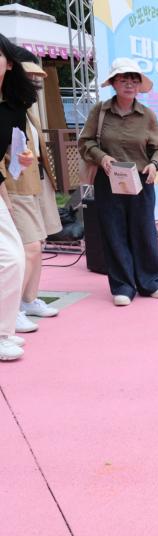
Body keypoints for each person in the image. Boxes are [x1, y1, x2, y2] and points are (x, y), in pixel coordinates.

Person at [78, 58, 158, 307]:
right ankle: (123, 286)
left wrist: (154, 164)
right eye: (123, 79)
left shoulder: (147, 115)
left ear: (139, 85)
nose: (129, 84)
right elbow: (85, 143)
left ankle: (151, 282)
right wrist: (102, 157)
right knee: (114, 232)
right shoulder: (101, 111)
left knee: (145, 231)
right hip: (110, 179)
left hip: (141, 180)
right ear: (114, 84)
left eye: (134, 79)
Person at [3, 47, 63, 335]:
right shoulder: (10, 109)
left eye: (39, 77)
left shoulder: (25, 110)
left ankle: (28, 300)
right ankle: (11, 310)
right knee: (26, 249)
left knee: (38, 245)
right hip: (15, 186)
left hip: (36, 182)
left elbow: (28, 150)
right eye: (32, 76)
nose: (37, 81)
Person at [0, 33, 38, 360]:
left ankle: (3, 330)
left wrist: (22, 159)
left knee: (14, 256)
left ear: (9, 63)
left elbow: (17, 153)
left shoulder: (14, 108)